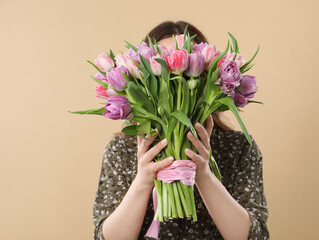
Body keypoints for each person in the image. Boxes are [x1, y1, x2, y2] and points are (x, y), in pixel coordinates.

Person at [92, 21, 270, 240]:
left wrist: (205, 176)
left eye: (185, 73)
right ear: (141, 77)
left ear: (207, 76)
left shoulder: (238, 147)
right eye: (159, 71)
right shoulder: (122, 149)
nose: (172, 82)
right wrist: (143, 179)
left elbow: (255, 237)